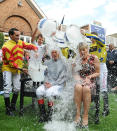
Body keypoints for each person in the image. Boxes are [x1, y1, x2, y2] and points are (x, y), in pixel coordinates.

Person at [2, 28, 38, 116]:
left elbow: (29, 46)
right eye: (17, 35)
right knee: (7, 88)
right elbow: (11, 62)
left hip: (18, 69)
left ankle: (13, 106)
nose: (19, 37)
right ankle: (8, 109)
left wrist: (35, 50)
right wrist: (22, 69)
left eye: (19, 35)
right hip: (8, 69)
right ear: (11, 35)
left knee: (17, 88)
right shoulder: (6, 46)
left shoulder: (20, 43)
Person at [81, 31, 110, 116]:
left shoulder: (101, 43)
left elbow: (96, 38)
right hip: (93, 67)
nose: (92, 39)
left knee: (103, 88)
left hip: (102, 67)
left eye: (93, 37)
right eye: (91, 38)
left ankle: (106, 108)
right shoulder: (90, 46)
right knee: (95, 88)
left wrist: (85, 33)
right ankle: (96, 106)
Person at [73, 42, 100, 128]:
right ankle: (77, 114)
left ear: (87, 49)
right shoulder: (77, 59)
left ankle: (85, 115)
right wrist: (78, 78)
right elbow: (74, 73)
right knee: (78, 87)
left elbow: (98, 73)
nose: (82, 52)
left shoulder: (94, 58)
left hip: (90, 81)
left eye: (84, 49)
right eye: (80, 50)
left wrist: (89, 77)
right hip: (80, 81)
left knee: (86, 89)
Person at [36, 48, 67, 123]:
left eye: (55, 52)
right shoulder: (47, 62)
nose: (54, 54)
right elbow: (45, 75)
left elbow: (62, 78)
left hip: (59, 85)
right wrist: (45, 82)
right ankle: (43, 115)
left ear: (58, 53)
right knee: (38, 91)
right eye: (52, 52)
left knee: (49, 92)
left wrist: (52, 84)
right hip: (48, 84)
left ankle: (50, 115)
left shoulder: (63, 63)